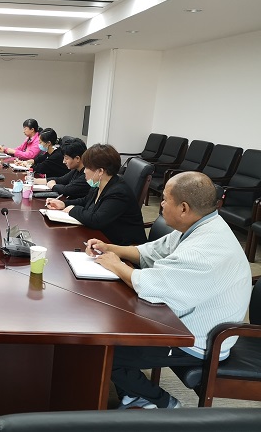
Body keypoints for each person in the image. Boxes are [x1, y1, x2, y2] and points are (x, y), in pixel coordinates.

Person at [85, 171, 251, 409]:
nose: (160, 204)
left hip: (200, 340)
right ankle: (133, 394)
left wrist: (116, 265)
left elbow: (151, 285)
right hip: (185, 321)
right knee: (110, 331)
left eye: (164, 199)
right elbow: (150, 252)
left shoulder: (203, 251)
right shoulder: (200, 225)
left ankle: (164, 404)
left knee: (105, 349)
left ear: (183, 208)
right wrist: (110, 248)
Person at [46, 143, 146, 245]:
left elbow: (96, 220)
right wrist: (64, 204)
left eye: (87, 168)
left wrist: (73, 209)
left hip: (124, 246)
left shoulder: (118, 192)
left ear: (100, 171)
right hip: (104, 237)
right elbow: (86, 201)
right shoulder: (100, 184)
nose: (84, 171)